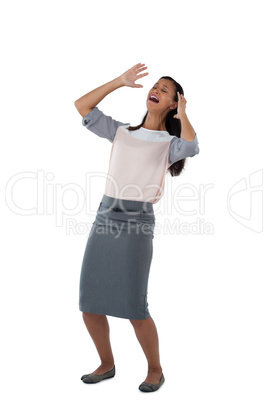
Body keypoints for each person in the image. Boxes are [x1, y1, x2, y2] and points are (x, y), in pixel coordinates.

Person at [74, 63, 200, 392]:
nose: (155, 89)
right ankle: (107, 363)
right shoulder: (121, 131)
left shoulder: (168, 143)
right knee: (89, 302)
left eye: (165, 89)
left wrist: (184, 111)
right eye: (154, 85)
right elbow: (82, 106)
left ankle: (155, 369)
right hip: (105, 215)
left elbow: (191, 145)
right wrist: (119, 81)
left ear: (174, 102)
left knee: (134, 306)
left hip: (137, 221)